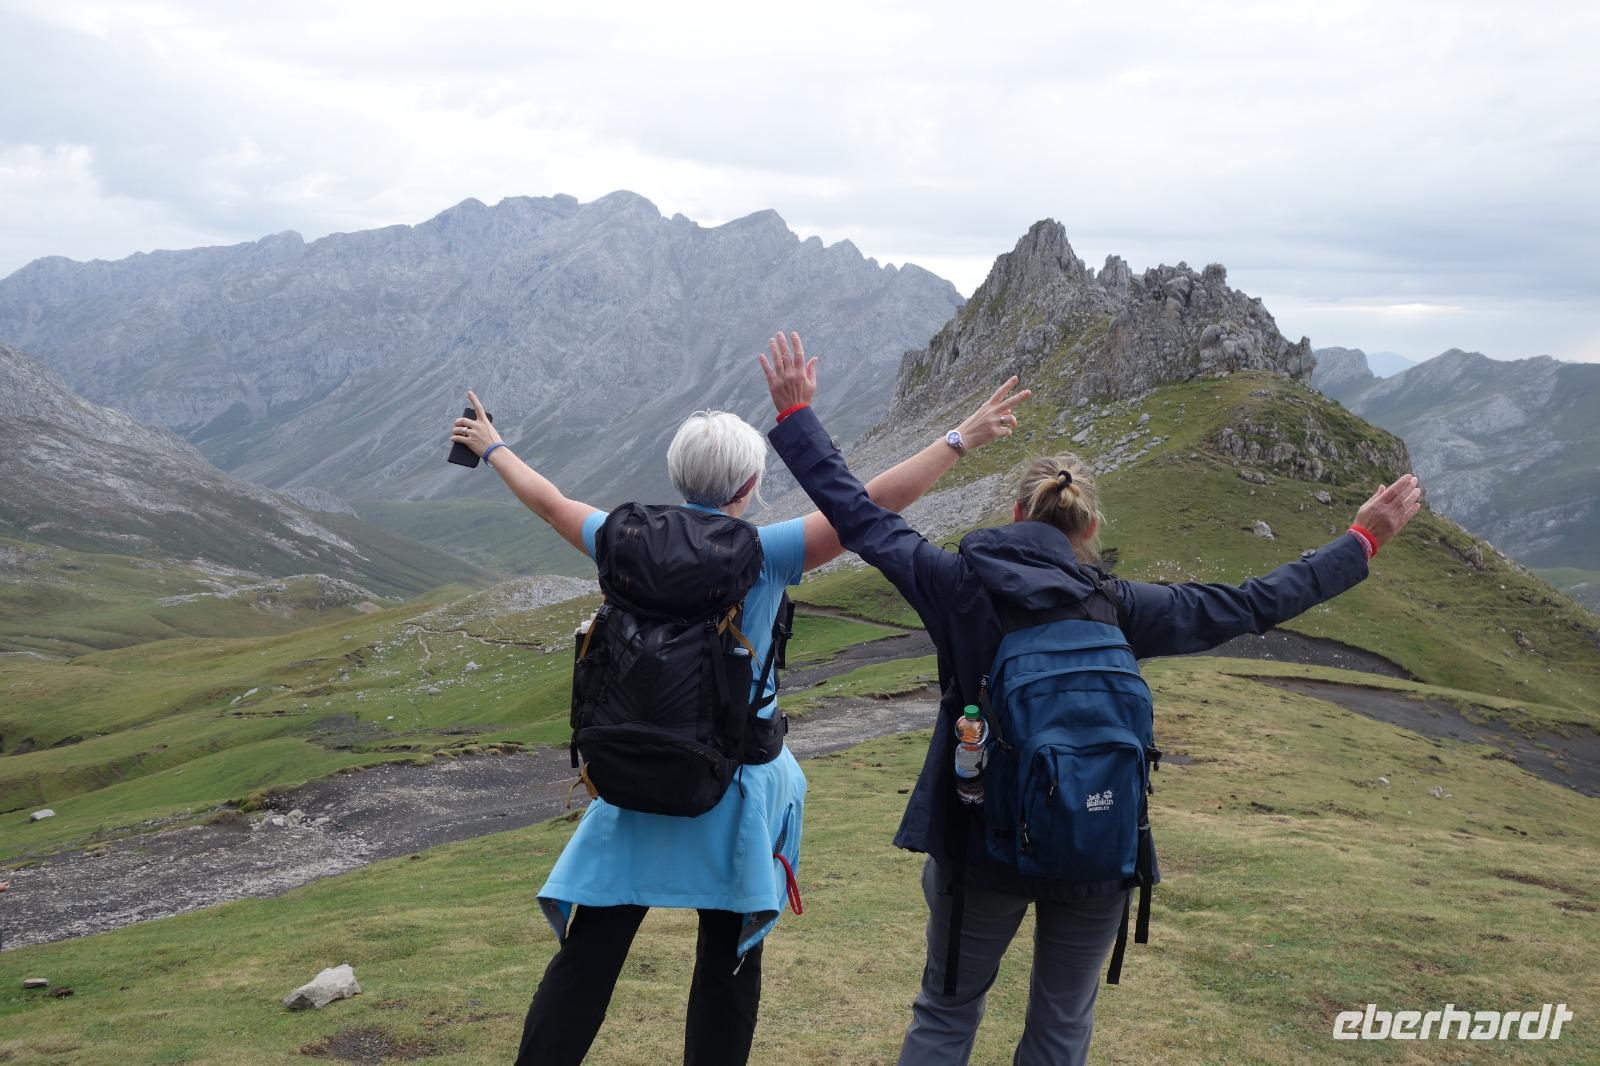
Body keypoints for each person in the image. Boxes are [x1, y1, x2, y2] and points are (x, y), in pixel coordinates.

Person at [759, 332, 1423, 1066]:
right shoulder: (1122, 605)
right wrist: (1359, 542)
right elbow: (1249, 605)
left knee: (946, 1015)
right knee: (1062, 1027)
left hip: (979, 845)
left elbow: (858, 516)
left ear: (1015, 514)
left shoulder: (955, 585)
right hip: (1099, 841)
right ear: (1091, 529)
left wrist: (796, 418)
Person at [447, 372, 1028, 1066]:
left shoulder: (618, 538)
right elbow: (873, 504)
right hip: (736, 785)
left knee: (591, 953)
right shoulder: (766, 553)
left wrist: (493, 446)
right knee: (726, 965)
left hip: (631, 779)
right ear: (749, 486)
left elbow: (548, 503)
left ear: (677, 474)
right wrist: (959, 438)